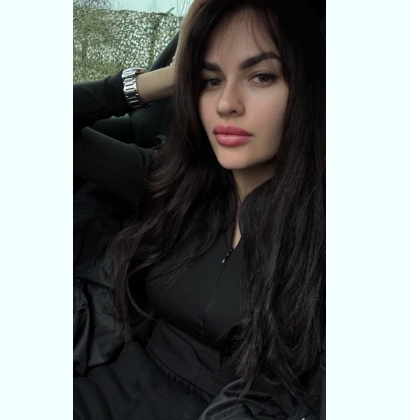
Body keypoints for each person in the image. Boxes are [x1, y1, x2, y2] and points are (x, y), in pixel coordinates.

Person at [73, 0, 326, 419]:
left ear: (308, 89)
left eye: (261, 76)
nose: (226, 103)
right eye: (210, 80)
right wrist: (168, 77)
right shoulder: (172, 184)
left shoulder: (323, 225)